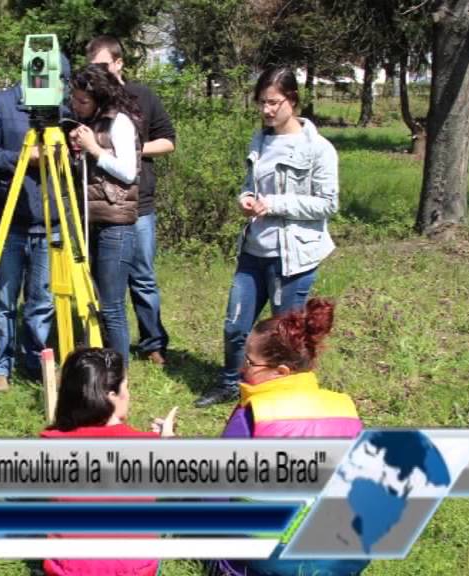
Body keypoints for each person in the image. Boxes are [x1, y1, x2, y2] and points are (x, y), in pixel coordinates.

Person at [196, 66, 339, 408]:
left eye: (273, 102)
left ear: (292, 100)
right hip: (253, 250)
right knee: (235, 324)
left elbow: (327, 204)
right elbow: (251, 186)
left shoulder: (319, 148)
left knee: (285, 336)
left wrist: (273, 204)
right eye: (261, 102)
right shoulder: (260, 141)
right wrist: (244, 199)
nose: (266, 110)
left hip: (293, 257)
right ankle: (231, 383)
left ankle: (287, 395)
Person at [215, 298, 367, 575]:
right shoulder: (345, 407)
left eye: (249, 362)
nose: (241, 369)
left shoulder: (255, 414)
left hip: (277, 558)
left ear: (281, 371)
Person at [0, 55, 70, 393]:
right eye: (57, 80)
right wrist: (22, 160)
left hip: (50, 222)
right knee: (3, 299)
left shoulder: (63, 111)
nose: (60, 88)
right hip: (6, 221)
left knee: (42, 301)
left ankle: (36, 360)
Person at [41, 347, 177, 576]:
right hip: (134, 569)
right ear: (112, 396)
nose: (129, 394)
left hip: (68, 569)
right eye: (127, 387)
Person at [86, 35, 176, 366]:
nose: (99, 72)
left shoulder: (143, 97)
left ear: (119, 63)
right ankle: (108, 339)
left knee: (142, 276)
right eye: (93, 66)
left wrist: (127, 150)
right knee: (102, 278)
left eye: (104, 65)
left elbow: (168, 141)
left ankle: (152, 342)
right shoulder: (91, 102)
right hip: (101, 206)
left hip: (140, 203)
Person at [68, 63, 141, 367]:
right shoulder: (92, 124)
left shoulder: (119, 122)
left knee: (111, 307)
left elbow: (127, 172)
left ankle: (119, 376)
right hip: (91, 221)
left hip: (115, 225)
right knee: (94, 299)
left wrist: (94, 149)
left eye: (83, 101)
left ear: (99, 97)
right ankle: (100, 366)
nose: (77, 105)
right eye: (74, 99)